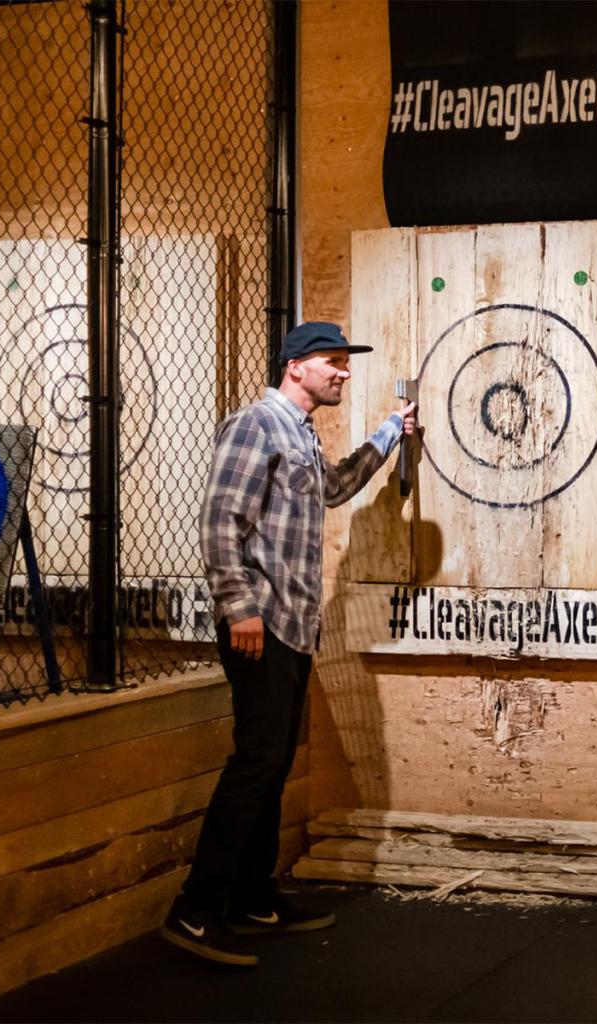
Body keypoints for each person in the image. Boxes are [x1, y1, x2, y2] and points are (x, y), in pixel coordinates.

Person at [161, 321, 417, 966]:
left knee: (272, 763)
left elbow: (330, 489)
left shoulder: (299, 433)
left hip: (292, 626)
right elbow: (221, 519)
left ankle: (252, 896)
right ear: (295, 366)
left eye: (343, 362)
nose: (343, 372)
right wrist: (238, 607)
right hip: (262, 624)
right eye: (331, 361)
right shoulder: (256, 424)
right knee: (256, 762)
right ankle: (194, 911)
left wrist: (389, 432)